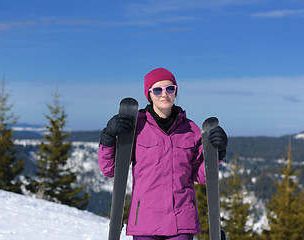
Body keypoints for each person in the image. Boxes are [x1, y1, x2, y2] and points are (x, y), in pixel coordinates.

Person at [98, 68, 228, 240]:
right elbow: (111, 170)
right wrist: (108, 138)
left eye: (170, 89)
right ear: (149, 95)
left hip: (181, 221)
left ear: (175, 92)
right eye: (157, 90)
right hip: (145, 221)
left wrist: (217, 153)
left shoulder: (190, 130)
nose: (164, 95)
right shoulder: (136, 128)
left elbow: (201, 176)